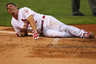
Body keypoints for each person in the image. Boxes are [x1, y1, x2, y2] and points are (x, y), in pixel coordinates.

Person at [6, 3, 94, 39]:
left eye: (10, 6)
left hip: (47, 20)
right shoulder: (13, 23)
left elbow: (31, 19)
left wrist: (34, 31)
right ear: (8, 12)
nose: (9, 8)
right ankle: (78, 35)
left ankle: (83, 33)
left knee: (64, 28)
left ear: (16, 7)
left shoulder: (23, 10)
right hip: (43, 31)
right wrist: (20, 34)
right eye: (8, 8)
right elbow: (24, 32)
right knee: (60, 34)